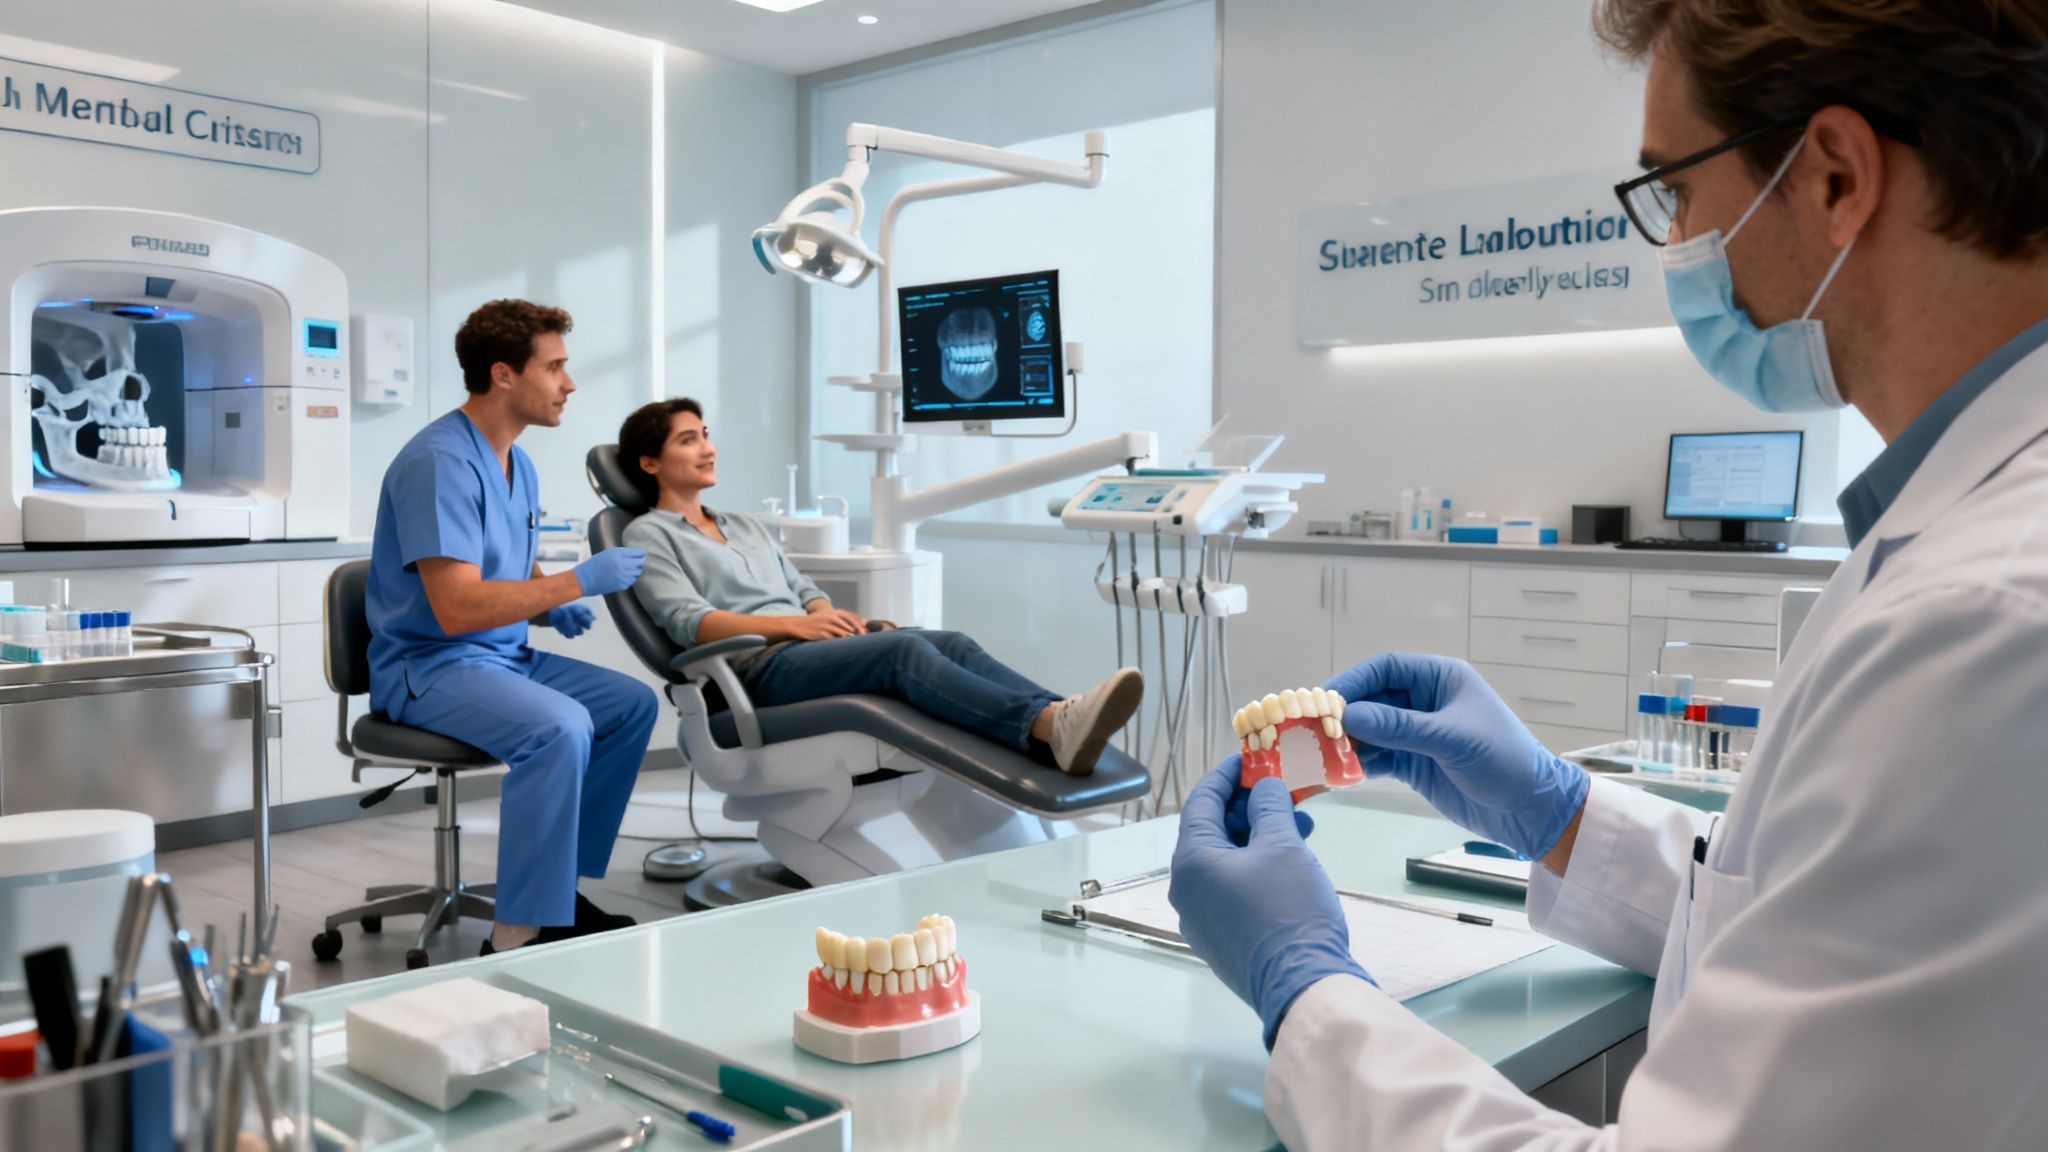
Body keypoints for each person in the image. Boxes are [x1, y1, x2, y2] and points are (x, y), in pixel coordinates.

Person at [1168, 2, 2048, 1148]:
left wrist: (1307, 993)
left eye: (1674, 189)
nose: (1671, 238)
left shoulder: (1981, 622)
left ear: (1833, 175)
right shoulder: (1958, 537)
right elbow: (1835, 941)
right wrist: (1559, 815)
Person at [615, 398, 1143, 776]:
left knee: (950, 641)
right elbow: (692, 622)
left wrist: (843, 623)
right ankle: (1048, 725)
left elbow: (801, 587)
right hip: (752, 671)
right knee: (902, 654)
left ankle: (1059, 720)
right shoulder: (647, 534)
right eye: (689, 440)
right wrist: (798, 626)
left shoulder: (743, 524)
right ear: (649, 462)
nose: (708, 449)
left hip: (803, 648)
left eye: (706, 434)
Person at [367, 299, 659, 957]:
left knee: (631, 705)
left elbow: (502, 565)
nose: (570, 383)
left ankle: (559, 897)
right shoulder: (438, 463)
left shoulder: (517, 464)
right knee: (558, 727)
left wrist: (544, 604)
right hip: (428, 668)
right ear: (503, 375)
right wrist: (577, 581)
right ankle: (515, 935)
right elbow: (456, 610)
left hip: (500, 658)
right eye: (555, 367)